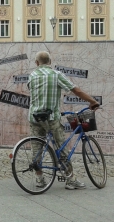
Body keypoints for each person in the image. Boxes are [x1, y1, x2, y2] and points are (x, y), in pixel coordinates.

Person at [28, 51, 99, 190]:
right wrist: (92, 101)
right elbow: (76, 91)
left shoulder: (32, 75)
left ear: (37, 63)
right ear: (50, 61)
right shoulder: (56, 75)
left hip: (34, 117)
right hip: (51, 118)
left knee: (37, 148)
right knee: (62, 148)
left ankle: (40, 179)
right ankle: (70, 180)